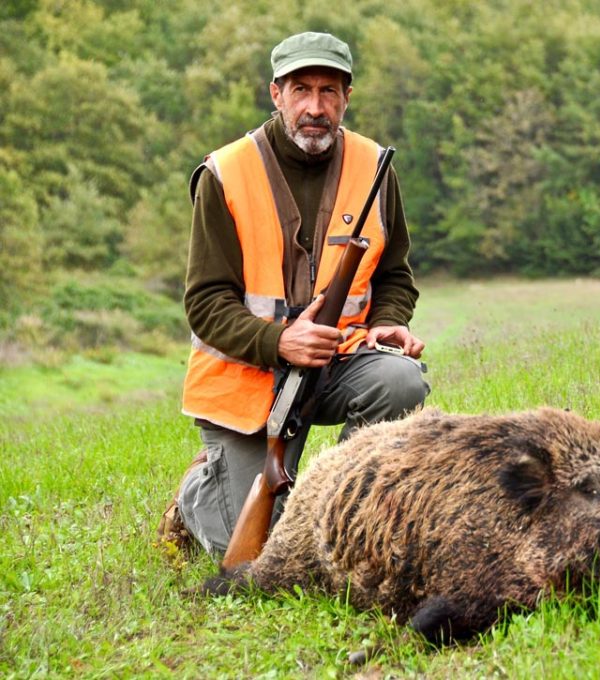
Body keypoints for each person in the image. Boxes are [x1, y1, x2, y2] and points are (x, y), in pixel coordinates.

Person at [158, 31, 429, 556]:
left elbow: (394, 275)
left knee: (400, 380)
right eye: (300, 89)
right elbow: (206, 302)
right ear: (275, 93)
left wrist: (388, 322)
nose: (315, 106)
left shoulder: (374, 167)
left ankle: (348, 509)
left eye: (330, 91)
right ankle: (196, 497)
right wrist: (280, 342)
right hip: (247, 377)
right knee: (260, 556)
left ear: (347, 98)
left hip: (337, 363)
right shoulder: (226, 173)